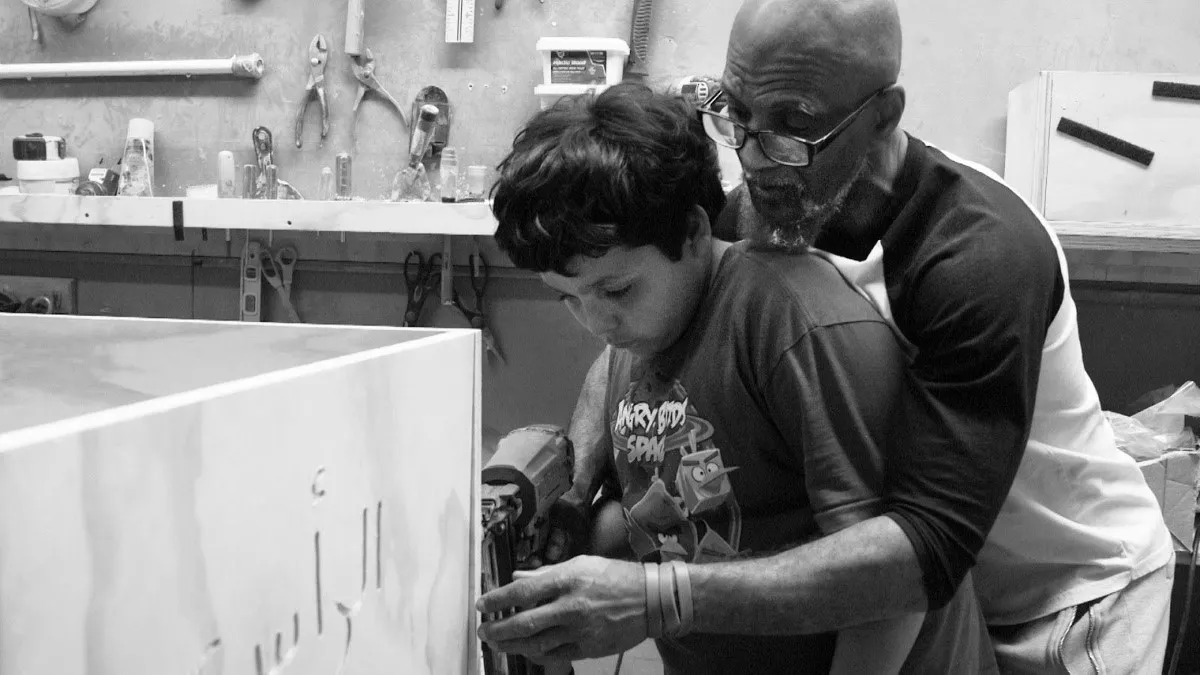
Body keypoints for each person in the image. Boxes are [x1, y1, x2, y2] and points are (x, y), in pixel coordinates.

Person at [506, 0, 1175, 673]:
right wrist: (576, 479)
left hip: (1061, 596)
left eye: (795, 125)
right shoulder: (763, 208)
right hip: (922, 600)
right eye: (736, 112)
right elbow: (631, 335)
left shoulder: (978, 258)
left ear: (882, 115)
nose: (754, 155)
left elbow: (924, 550)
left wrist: (659, 597)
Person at [478, 83, 997, 673]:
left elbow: (886, 591)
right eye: (569, 299)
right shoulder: (647, 329)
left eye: (615, 290)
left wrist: (651, 597)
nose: (596, 322)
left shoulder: (796, 325)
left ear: (696, 233)